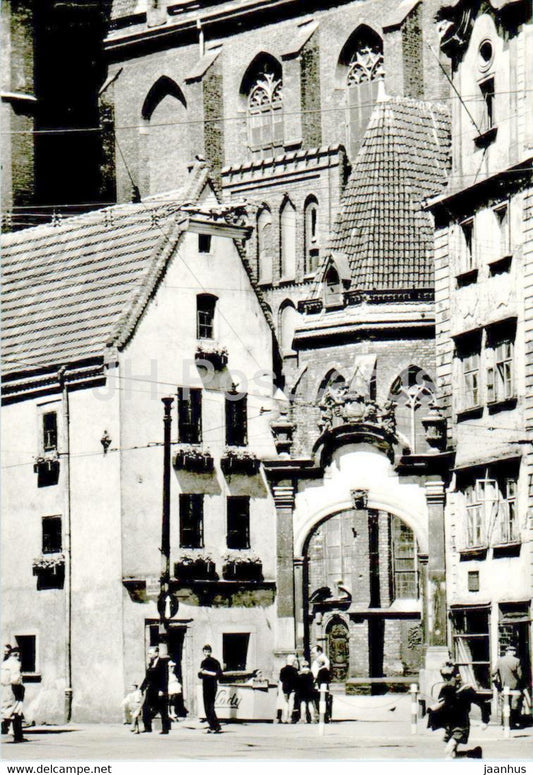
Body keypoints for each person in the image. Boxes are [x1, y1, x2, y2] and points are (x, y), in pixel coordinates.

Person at [428, 663, 490, 759]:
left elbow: (483, 703)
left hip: (461, 724)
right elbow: (442, 705)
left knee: (448, 749)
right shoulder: (445, 689)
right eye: (444, 677)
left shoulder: (466, 690)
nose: (446, 680)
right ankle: (473, 754)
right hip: (449, 725)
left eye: (449, 677)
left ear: (456, 676)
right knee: (451, 754)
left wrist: (485, 721)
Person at [140, 646, 170, 734]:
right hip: (151, 690)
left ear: (156, 653)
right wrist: (141, 689)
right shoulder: (151, 664)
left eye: (150, 653)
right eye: (148, 653)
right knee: (145, 708)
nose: (148, 655)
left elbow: (165, 678)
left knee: (163, 710)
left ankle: (165, 729)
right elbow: (147, 678)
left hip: (160, 690)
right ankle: (147, 728)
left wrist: (162, 690)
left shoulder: (162, 663)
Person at [492, 646, 524, 729]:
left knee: (505, 705)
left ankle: (504, 723)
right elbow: (520, 675)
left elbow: (493, 672)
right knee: (514, 705)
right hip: (514, 686)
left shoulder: (500, 660)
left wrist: (498, 682)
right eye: (514, 651)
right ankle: (512, 723)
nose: (514, 652)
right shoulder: (517, 661)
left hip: (503, 686)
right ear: (512, 652)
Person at [1, 647, 26, 743]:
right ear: (17, 654)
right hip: (14, 691)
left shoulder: (4, 664)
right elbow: (15, 680)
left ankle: (8, 730)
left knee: (6, 711)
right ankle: (18, 735)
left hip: (4, 689)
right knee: (17, 712)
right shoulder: (16, 664)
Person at [198, 645, 222, 734]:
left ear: (210, 652)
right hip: (205, 685)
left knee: (210, 706)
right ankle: (213, 725)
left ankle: (215, 726)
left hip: (212, 685)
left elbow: (219, 674)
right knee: (206, 707)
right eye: (205, 651)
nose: (206, 653)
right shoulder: (203, 662)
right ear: (203, 652)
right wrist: (200, 672)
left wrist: (207, 672)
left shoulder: (215, 662)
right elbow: (200, 676)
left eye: (208, 651)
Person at [278, 654, 299, 724]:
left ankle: (284, 717)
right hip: (293, 688)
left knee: (286, 702)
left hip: (285, 688)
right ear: (293, 661)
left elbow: (281, 679)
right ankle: (290, 717)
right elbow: (297, 679)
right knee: (291, 702)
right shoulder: (295, 670)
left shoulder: (282, 670)